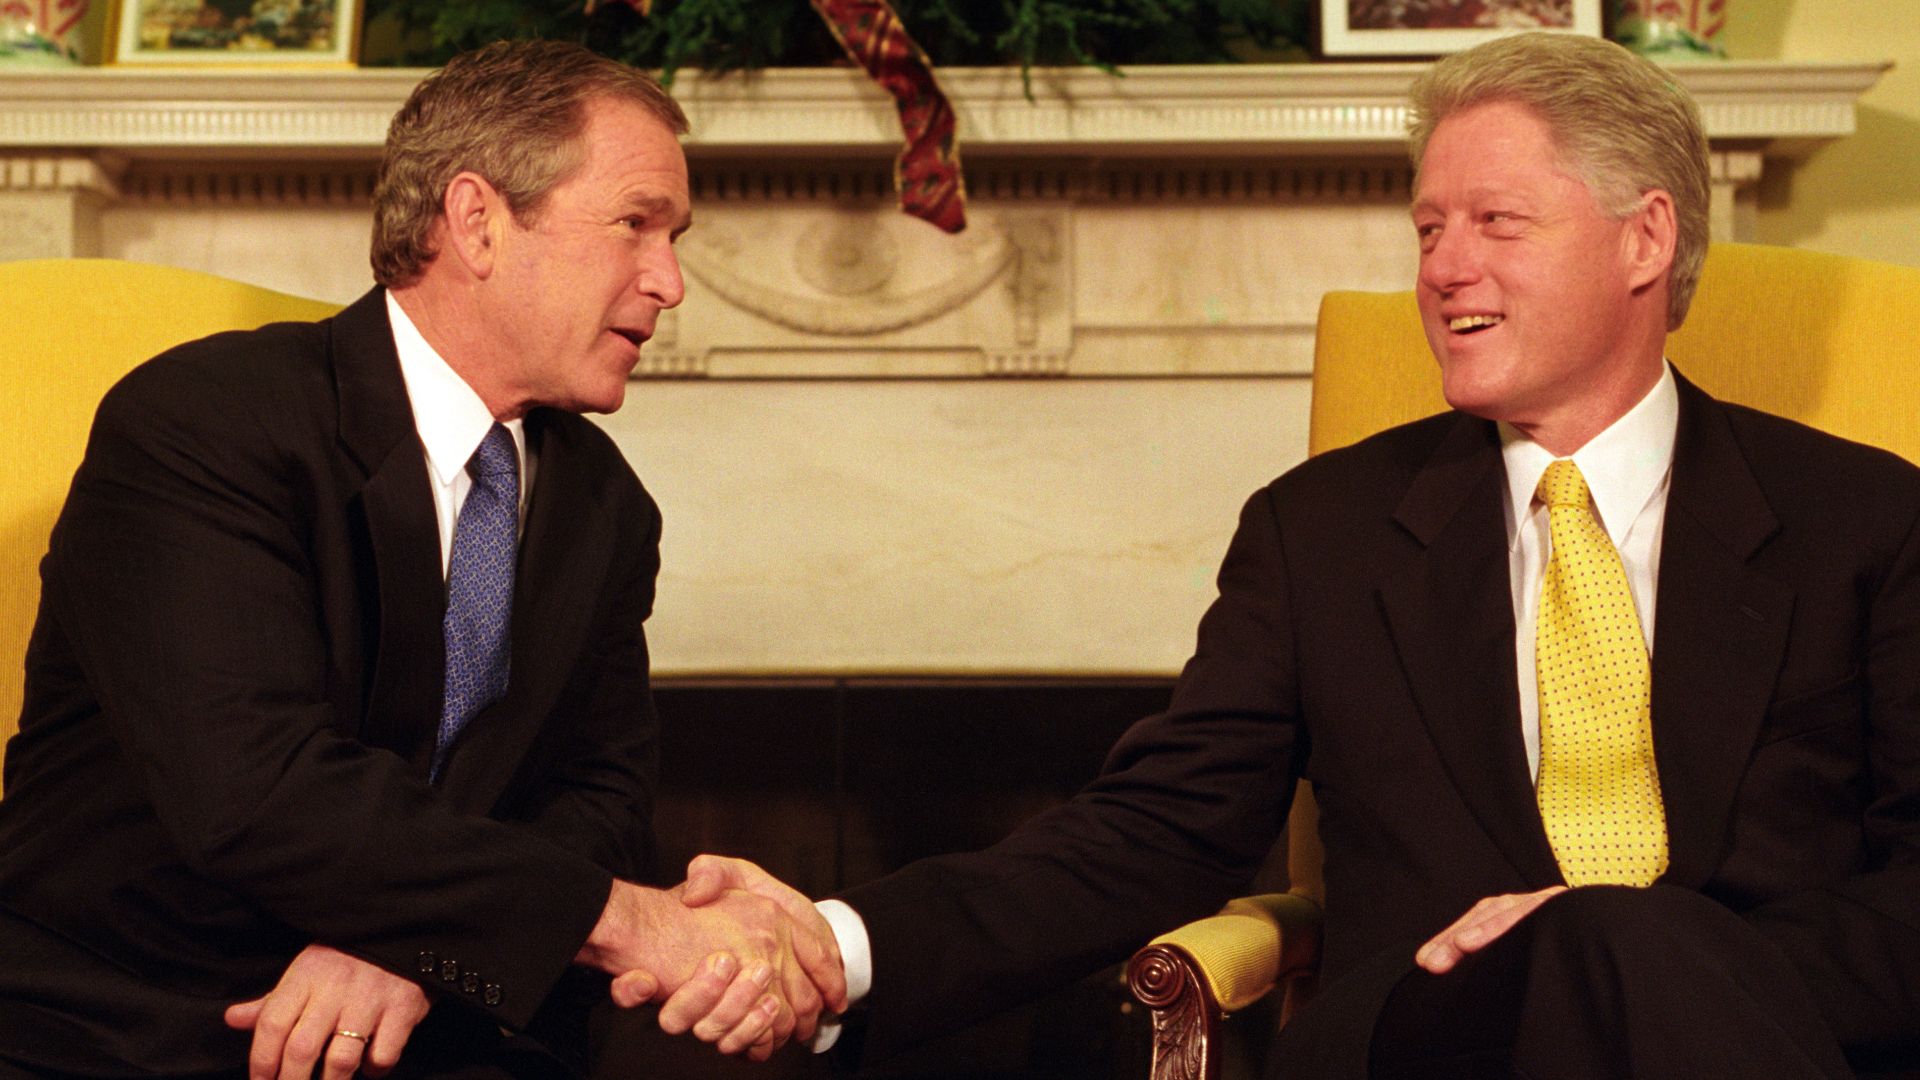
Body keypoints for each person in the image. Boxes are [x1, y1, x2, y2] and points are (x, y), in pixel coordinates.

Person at [670, 31, 1920, 1078]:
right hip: (1433, 1037)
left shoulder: (1865, 520)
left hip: (1765, 1023)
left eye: (1497, 222)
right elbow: (1154, 831)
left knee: (1625, 945)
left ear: (1645, 241)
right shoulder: (1321, 532)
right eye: (1428, 228)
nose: (1445, 269)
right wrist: (843, 942)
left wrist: (1652, 951)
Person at [0, 40, 841, 1080]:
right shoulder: (203, 423)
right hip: (140, 1028)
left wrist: (418, 953)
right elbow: (257, 793)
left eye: (675, 238)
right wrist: (628, 924)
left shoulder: (604, 502)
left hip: (441, 1023)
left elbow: (602, 800)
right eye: (636, 223)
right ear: (477, 221)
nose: (668, 282)